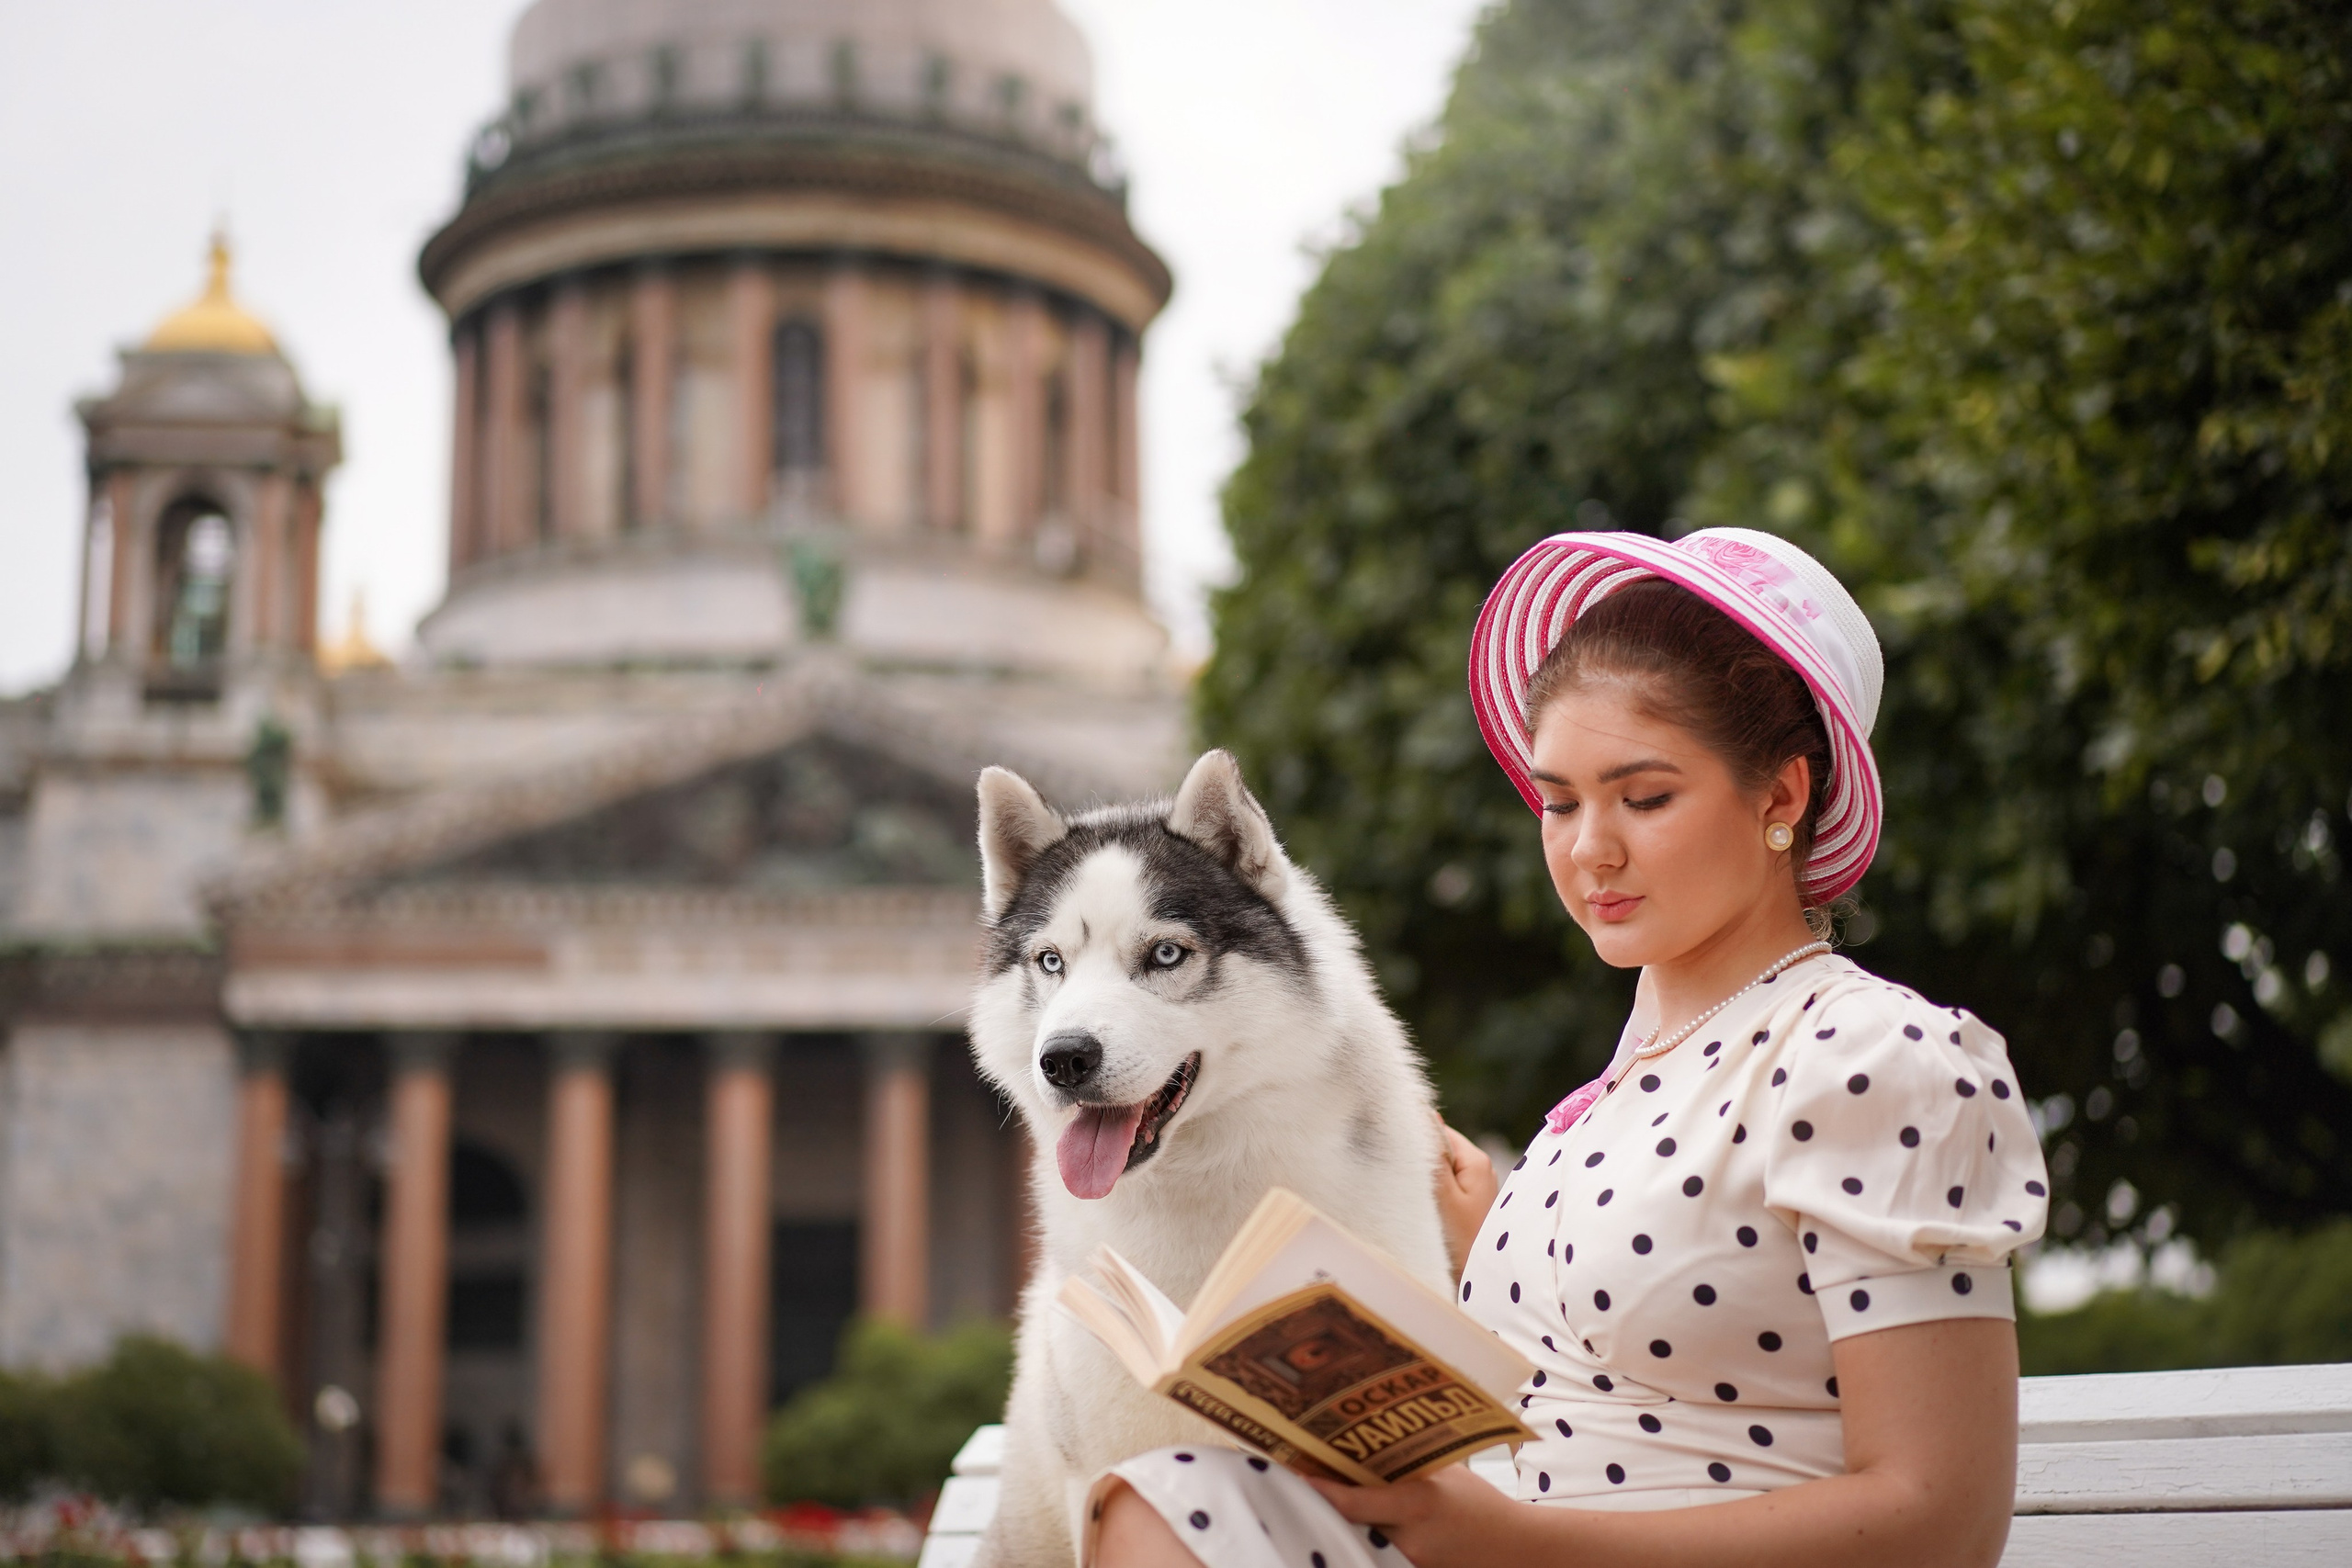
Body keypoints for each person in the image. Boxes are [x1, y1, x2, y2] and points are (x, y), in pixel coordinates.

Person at [1087, 528, 2050, 1568]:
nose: (1590, 848)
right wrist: (1483, 1240)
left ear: (1780, 797)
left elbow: (1940, 1520)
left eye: (1644, 798)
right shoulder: (1615, 1094)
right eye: (1558, 802)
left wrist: (1511, 1542)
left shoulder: (1879, 1054)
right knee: (1166, 1496)